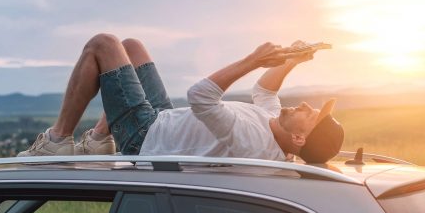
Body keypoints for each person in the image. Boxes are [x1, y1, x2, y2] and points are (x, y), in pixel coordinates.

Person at [19, 34, 344, 163]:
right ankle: (100, 140)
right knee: (131, 47)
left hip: (147, 139)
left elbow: (200, 96)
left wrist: (253, 60)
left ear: (299, 137)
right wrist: (292, 61)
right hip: (164, 121)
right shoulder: (275, 126)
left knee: (103, 45)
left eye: (311, 114)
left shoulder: (253, 142)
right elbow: (265, 92)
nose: (304, 105)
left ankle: (57, 141)